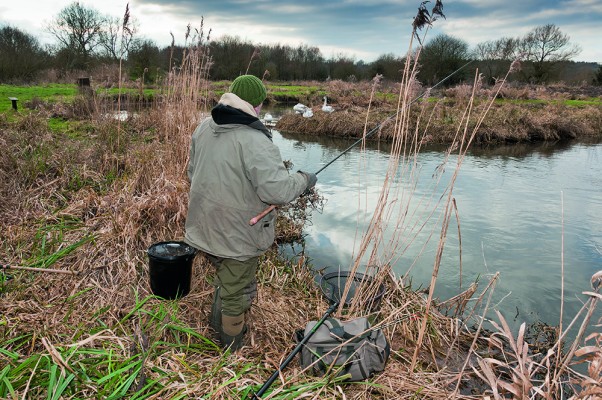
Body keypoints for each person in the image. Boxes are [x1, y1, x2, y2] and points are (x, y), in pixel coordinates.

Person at [184, 75, 317, 350]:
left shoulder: (204, 127)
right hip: (237, 236)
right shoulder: (255, 140)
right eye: (259, 104)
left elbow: (192, 173)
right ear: (255, 105)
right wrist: (304, 180)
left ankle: (215, 327)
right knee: (237, 293)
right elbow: (277, 192)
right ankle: (230, 351)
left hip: (202, 226)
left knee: (228, 280)